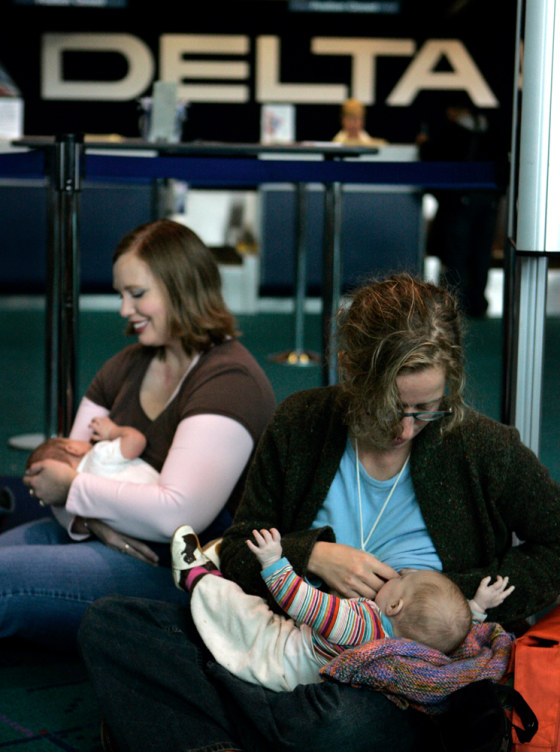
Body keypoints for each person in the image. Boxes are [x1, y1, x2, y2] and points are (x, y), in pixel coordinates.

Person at [78, 272, 560, 752]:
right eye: (390, 407)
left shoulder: (482, 447)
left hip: (390, 688)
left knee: (339, 721)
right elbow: (241, 546)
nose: (407, 428)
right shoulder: (301, 422)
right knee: (111, 624)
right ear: (351, 372)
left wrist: (449, 600)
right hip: (284, 640)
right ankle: (239, 728)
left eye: (426, 409)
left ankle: (196, 728)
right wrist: (311, 555)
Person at [10, 217, 276, 648]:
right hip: (100, 534)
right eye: (121, 294)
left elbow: (176, 516)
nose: (123, 310)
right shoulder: (129, 363)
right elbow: (55, 468)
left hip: (175, 571)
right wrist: (93, 521)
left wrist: (74, 491)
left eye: (137, 294)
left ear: (182, 290)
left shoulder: (230, 379)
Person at [169, 524, 513, 692]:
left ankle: (197, 577)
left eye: (401, 578)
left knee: (243, 613)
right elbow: (450, 635)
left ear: (393, 605)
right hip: (309, 673)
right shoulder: (416, 651)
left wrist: (275, 562)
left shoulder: (361, 624)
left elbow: (304, 602)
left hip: (278, 658)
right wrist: (477, 607)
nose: (396, 573)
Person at [417, 95, 505, 317]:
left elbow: (434, 160)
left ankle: (457, 304)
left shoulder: (451, 132)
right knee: (481, 252)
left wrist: (424, 145)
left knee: (457, 253)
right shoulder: (491, 130)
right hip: (489, 200)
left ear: (454, 111)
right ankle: (478, 302)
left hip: (461, 201)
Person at [25, 416, 160, 487]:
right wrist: (111, 431)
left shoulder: (79, 492)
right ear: (73, 449)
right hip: (158, 500)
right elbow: (136, 441)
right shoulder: (97, 456)